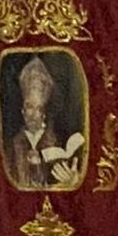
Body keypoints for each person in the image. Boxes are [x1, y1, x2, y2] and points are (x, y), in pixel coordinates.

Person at [7, 54, 84, 189]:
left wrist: (74, 181)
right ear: (22, 110)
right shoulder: (12, 143)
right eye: (29, 106)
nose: (33, 114)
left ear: (44, 113)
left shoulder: (59, 140)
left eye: (38, 108)